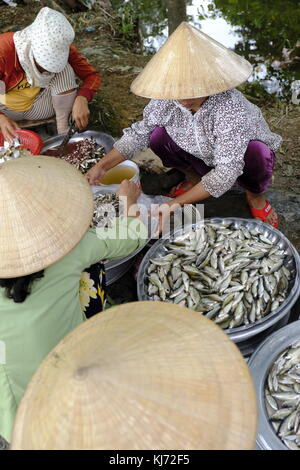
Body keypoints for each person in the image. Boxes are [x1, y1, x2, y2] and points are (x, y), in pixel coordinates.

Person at [0, 154, 147, 443]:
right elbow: (134, 234)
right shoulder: (70, 250)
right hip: (69, 366)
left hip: (11, 394)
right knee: (91, 269)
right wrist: (127, 201)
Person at [86, 22, 282, 229]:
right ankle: (193, 178)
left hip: (237, 161)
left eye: (192, 92)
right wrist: (102, 166)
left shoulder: (231, 108)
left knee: (257, 152)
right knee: (157, 137)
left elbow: (226, 173)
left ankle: (255, 195)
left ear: (210, 81)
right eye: (177, 93)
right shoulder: (169, 98)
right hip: (199, 155)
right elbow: (138, 134)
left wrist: (174, 204)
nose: (184, 100)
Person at [0, 7, 100, 141]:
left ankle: (64, 135)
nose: (45, 71)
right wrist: (1, 118)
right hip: (5, 108)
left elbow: (92, 76)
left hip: (38, 107)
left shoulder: (62, 47)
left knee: (65, 69)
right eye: (41, 64)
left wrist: (82, 98)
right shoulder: (3, 49)